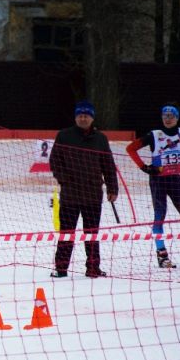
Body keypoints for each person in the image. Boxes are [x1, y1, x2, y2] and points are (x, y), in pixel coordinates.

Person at [125, 102, 180, 268]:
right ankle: (162, 255)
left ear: (177, 117)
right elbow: (131, 148)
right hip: (158, 180)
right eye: (165, 115)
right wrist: (144, 167)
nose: (168, 119)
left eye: (171, 116)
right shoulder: (155, 135)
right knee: (160, 215)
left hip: (174, 179)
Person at [49, 100, 118, 278]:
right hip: (70, 195)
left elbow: (108, 165)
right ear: (75, 117)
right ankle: (61, 268)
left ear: (92, 118)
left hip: (93, 194)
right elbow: (55, 161)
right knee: (67, 233)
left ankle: (93, 268)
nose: (83, 118)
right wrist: (64, 180)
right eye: (80, 115)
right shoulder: (64, 136)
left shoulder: (100, 139)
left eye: (86, 115)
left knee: (92, 234)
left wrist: (112, 188)